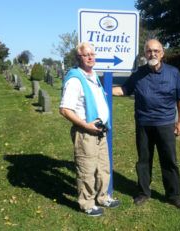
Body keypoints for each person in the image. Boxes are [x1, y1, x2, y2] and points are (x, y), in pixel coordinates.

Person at [112, 39, 180, 210]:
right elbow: (124, 90)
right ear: (144, 54)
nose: (152, 54)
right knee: (144, 161)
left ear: (162, 53)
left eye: (155, 51)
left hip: (166, 124)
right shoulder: (138, 74)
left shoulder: (173, 73)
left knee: (169, 161)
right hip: (143, 124)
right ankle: (144, 192)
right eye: (148, 51)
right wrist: (103, 90)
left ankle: (173, 195)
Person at [59, 42, 119, 216]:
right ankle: (87, 204)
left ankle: (102, 197)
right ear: (79, 58)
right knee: (86, 169)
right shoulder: (75, 79)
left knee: (103, 167)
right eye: (86, 55)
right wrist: (86, 125)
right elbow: (64, 109)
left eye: (92, 54)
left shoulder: (92, 77)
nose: (91, 57)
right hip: (86, 132)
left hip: (100, 130)